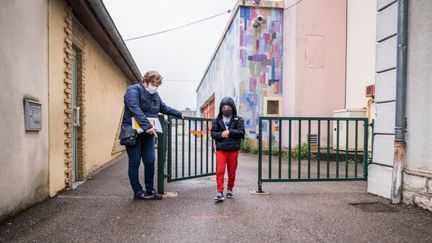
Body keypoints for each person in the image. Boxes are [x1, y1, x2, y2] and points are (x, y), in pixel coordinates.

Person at [121, 70, 183, 200]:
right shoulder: (133, 90)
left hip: (148, 134)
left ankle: (150, 189)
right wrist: (147, 126)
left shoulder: (155, 95)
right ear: (146, 81)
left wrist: (178, 113)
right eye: (154, 84)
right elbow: (134, 108)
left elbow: (163, 108)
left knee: (150, 161)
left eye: (158, 85)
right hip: (134, 133)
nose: (156, 87)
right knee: (135, 162)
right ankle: (138, 191)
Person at [211, 97, 245, 202]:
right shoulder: (217, 120)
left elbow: (241, 132)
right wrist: (221, 134)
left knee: (232, 171)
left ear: (232, 108)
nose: (226, 109)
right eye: (224, 107)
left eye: (228, 107)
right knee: (220, 171)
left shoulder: (238, 119)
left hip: (233, 149)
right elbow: (213, 133)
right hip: (221, 149)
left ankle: (230, 189)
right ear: (221, 108)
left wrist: (230, 132)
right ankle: (220, 192)